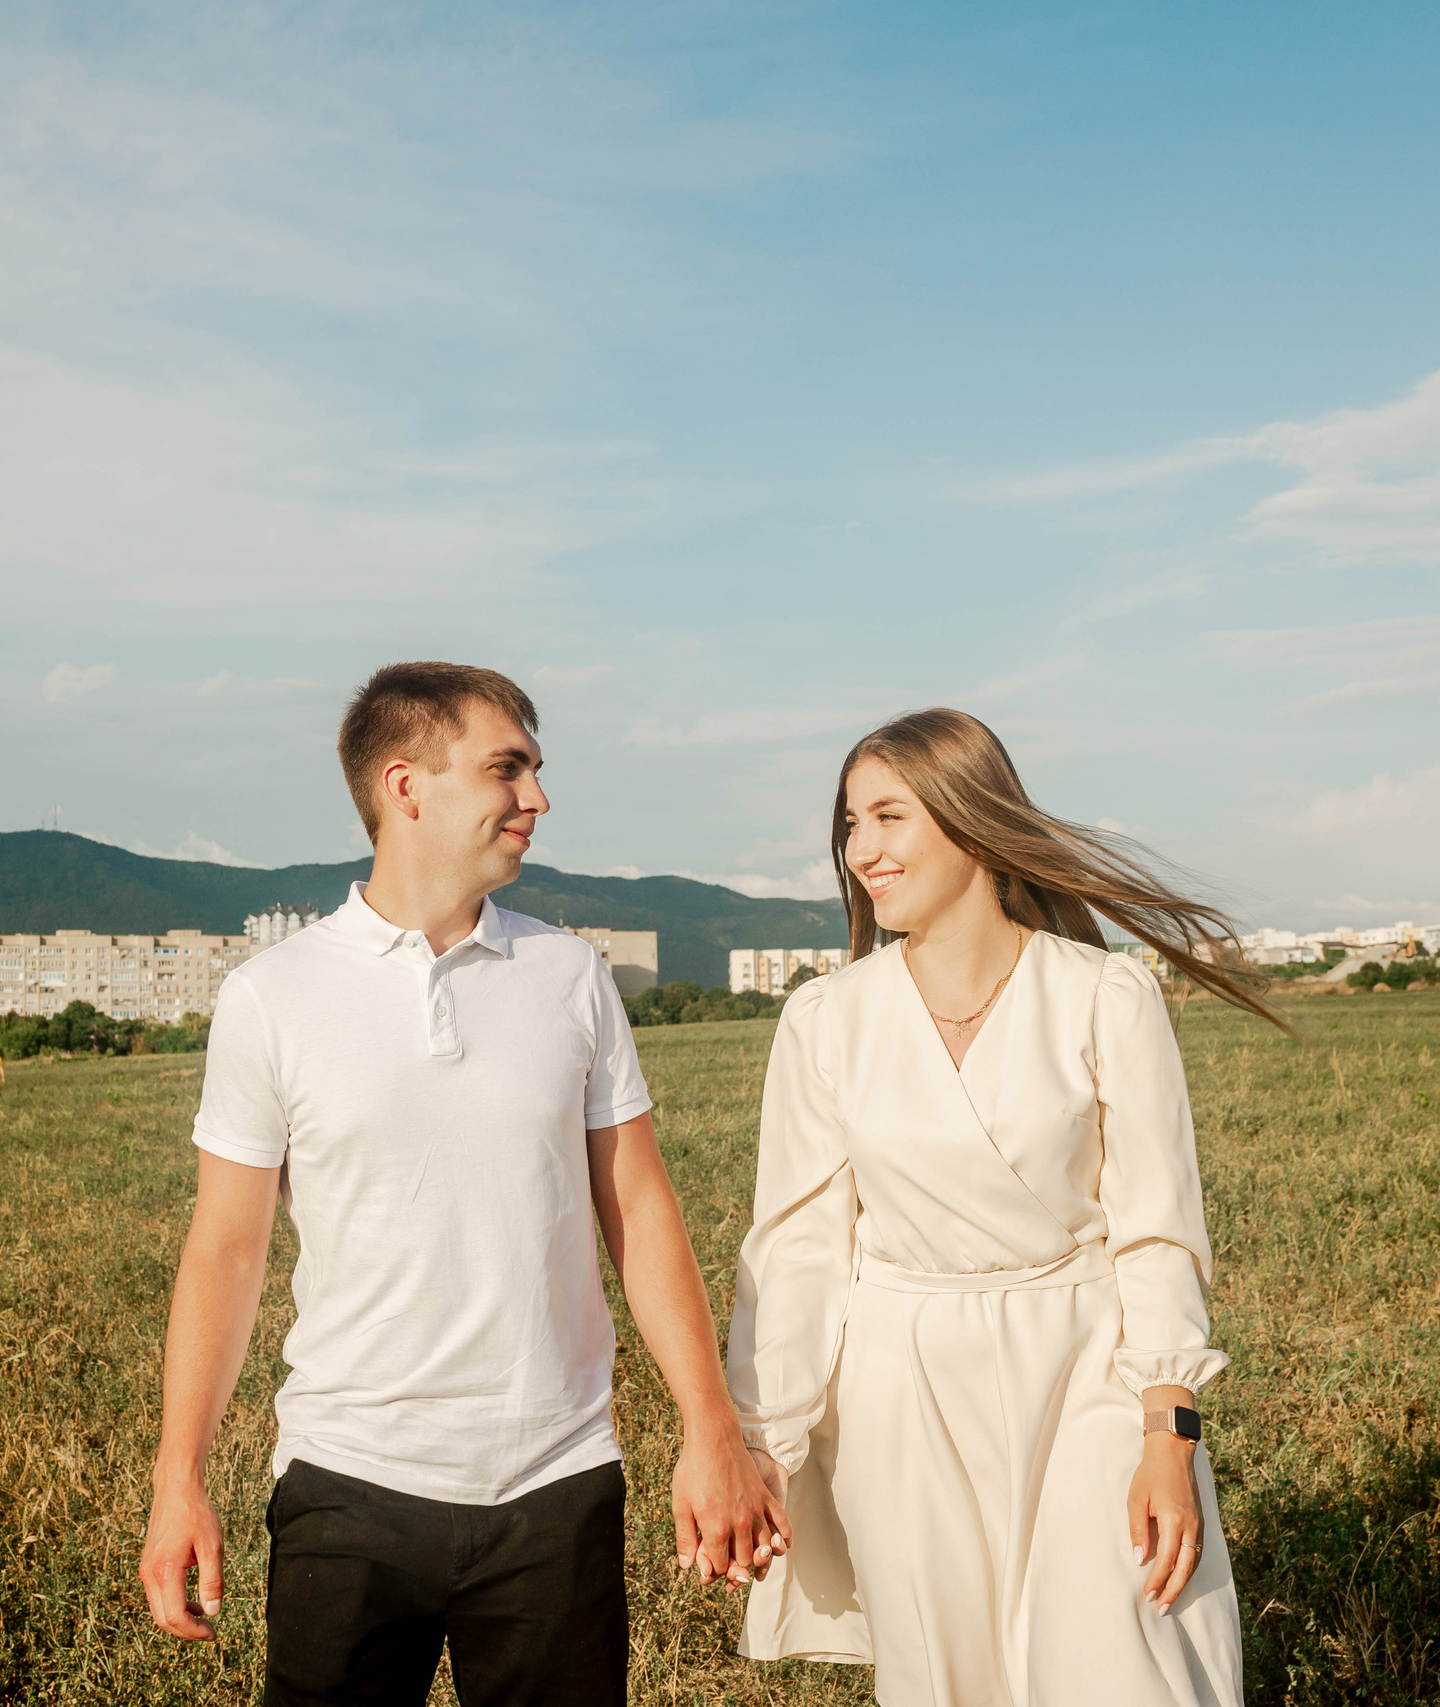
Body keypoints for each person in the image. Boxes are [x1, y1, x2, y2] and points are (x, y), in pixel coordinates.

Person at [140, 662, 787, 1707]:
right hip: (346, 1483)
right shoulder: (272, 995)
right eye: (507, 769)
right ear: (407, 787)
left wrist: (711, 1429)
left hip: (558, 1481)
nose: (536, 799)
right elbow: (225, 1248)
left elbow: (640, 1206)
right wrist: (180, 1481)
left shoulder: (570, 974)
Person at [726, 709, 1281, 1707]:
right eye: (850, 824)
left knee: (1123, 1662)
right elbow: (799, 1250)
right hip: (900, 1390)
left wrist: (1168, 1431)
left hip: (1085, 1372)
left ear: (971, 824)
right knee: (947, 1679)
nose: (861, 852)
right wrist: (763, 1439)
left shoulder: (1104, 996)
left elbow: (1155, 1230)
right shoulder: (825, 1019)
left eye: (887, 817)